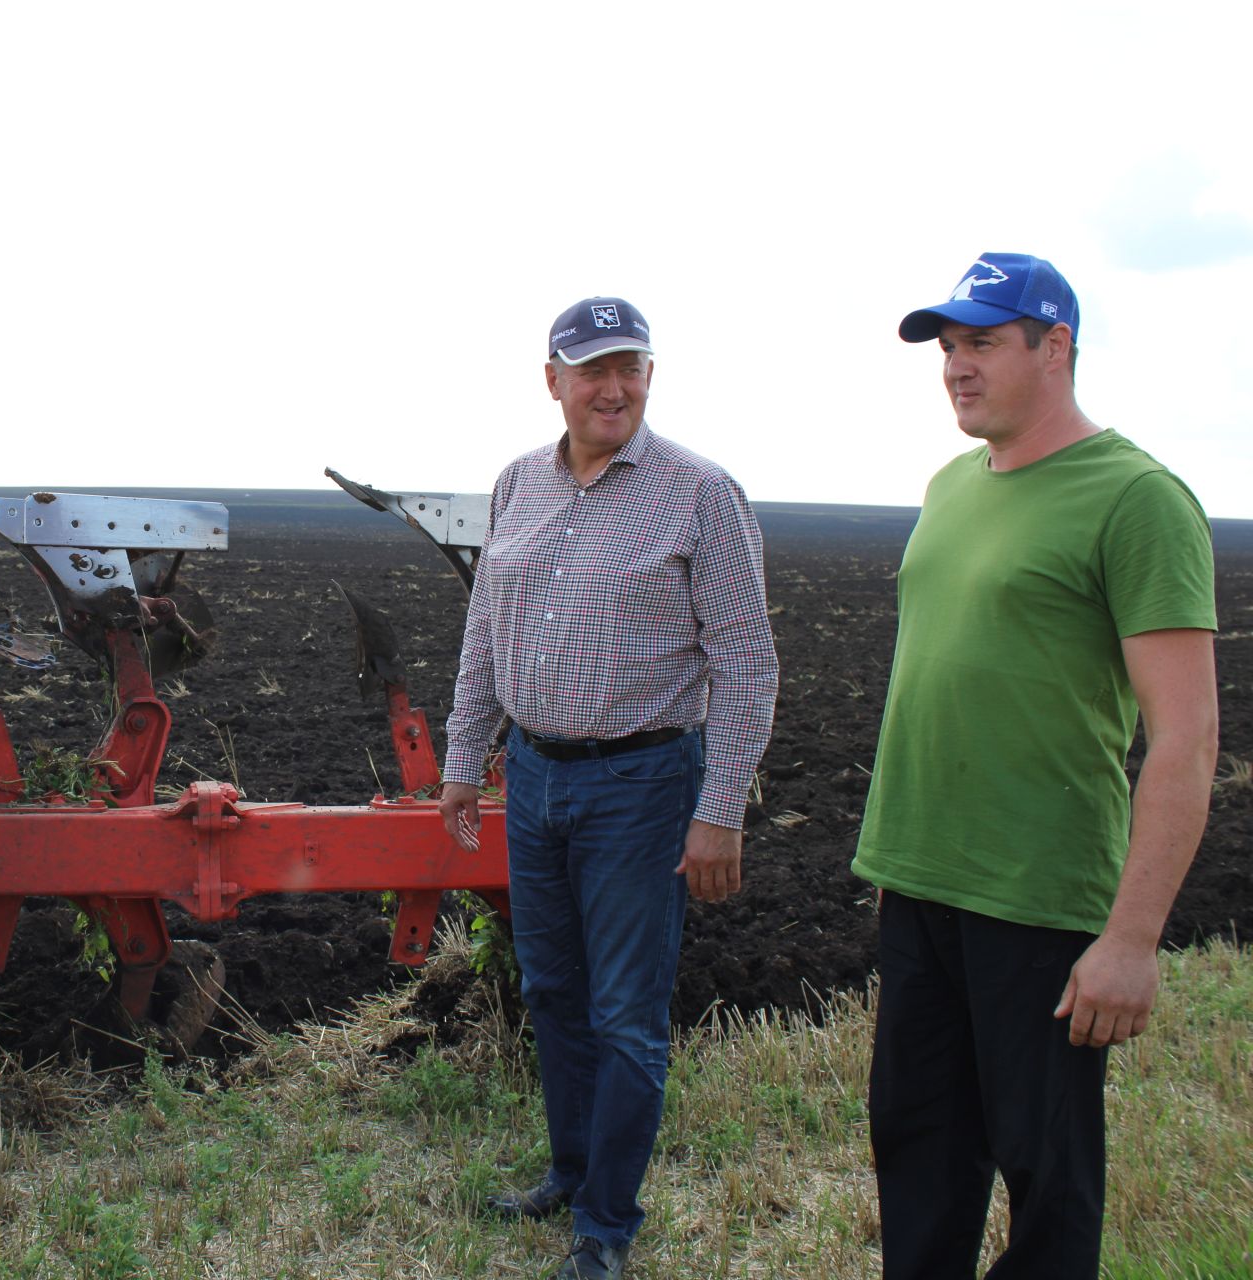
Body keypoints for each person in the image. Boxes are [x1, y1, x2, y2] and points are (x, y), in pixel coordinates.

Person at [854, 254, 1218, 1278]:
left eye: (981, 343)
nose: (955, 367)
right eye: (948, 347)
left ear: (1054, 347)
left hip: (1040, 897)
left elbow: (1186, 737)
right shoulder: (952, 484)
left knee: (1045, 1179)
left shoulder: (1137, 499)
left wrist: (1133, 937)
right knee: (919, 1153)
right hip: (923, 878)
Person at [439, 297, 779, 1279]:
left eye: (629, 365)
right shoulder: (516, 485)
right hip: (535, 777)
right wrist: (467, 758)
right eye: (591, 368)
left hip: (643, 782)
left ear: (650, 374)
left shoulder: (698, 493)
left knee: (626, 1011)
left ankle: (606, 1225)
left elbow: (748, 664)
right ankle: (571, 1168)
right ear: (553, 379)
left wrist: (719, 809)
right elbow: (483, 638)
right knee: (554, 990)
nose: (612, 386)